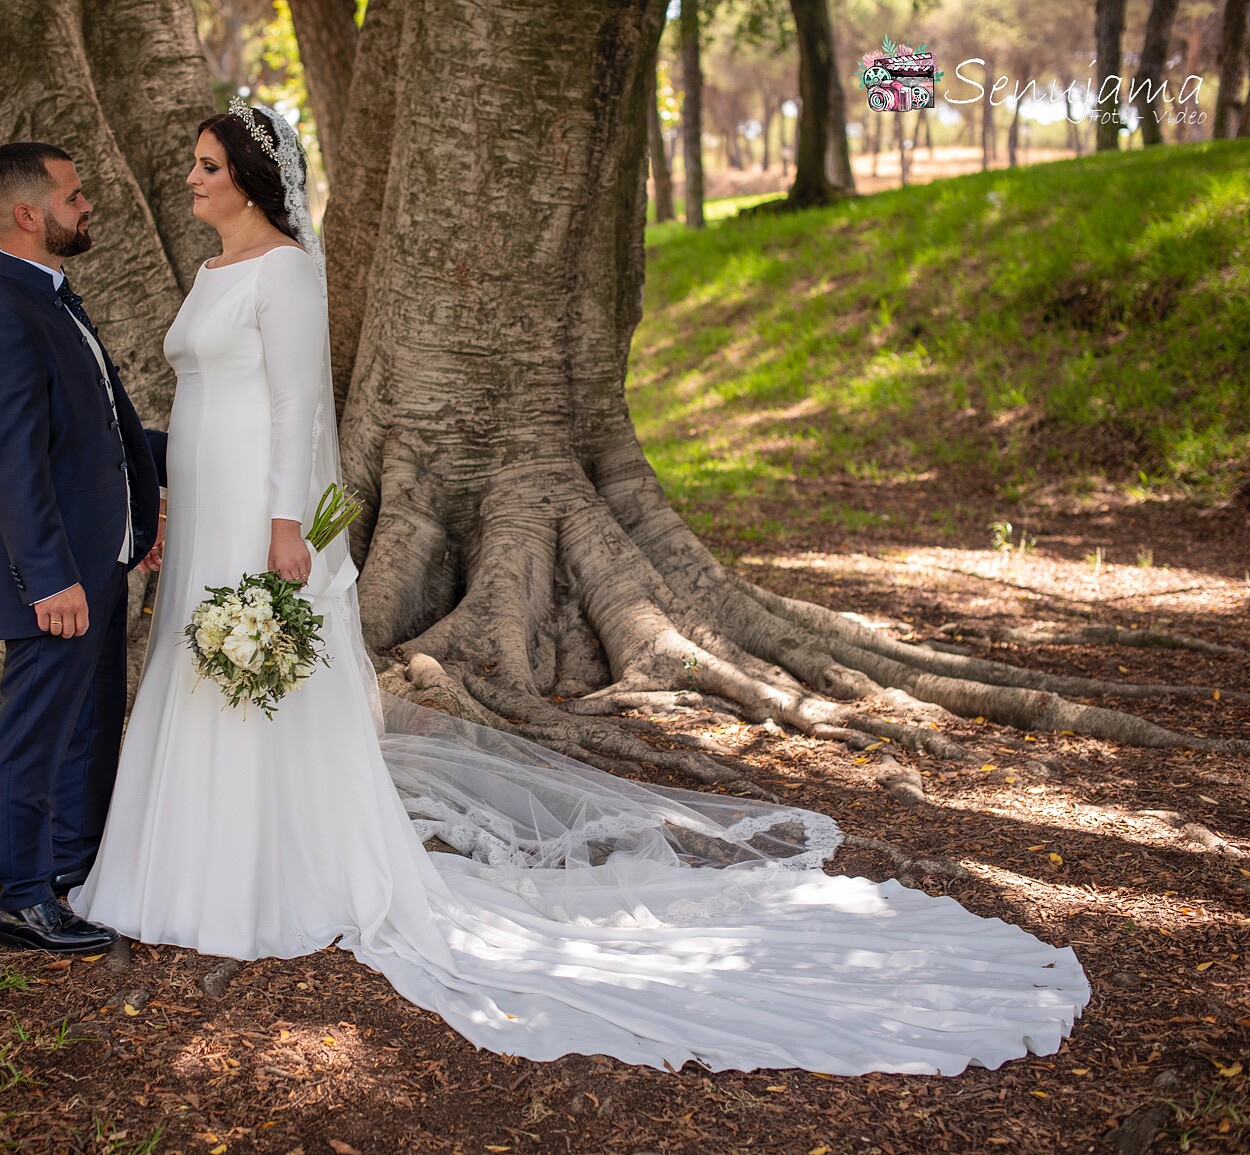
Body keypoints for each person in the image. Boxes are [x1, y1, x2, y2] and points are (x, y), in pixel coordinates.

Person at [67, 103, 1090, 1076]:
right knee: (198, 662)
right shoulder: (211, 272)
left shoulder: (286, 274)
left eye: (206, 168)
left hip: (258, 502)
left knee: (262, 671)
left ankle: (265, 877)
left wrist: (289, 524)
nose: (191, 182)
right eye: (196, 168)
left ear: (247, 180)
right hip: (200, 501)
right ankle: (178, 865)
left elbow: (298, 404)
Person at [0, 142, 167, 955]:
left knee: (88, 727)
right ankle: (20, 896)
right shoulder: (5, 317)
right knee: (36, 731)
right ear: (28, 214)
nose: (86, 208)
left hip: (97, 560)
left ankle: (76, 875)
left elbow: (98, 435)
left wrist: (138, 519)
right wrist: (49, 579)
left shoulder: (53, 298)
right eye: (74, 197)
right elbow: (14, 468)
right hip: (55, 577)